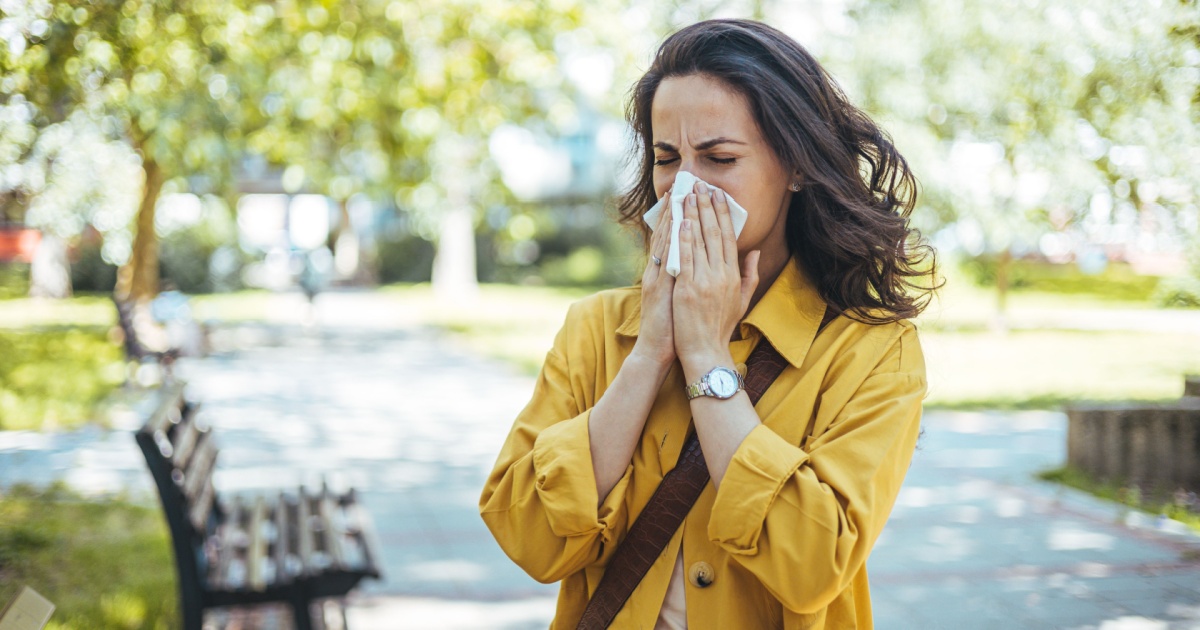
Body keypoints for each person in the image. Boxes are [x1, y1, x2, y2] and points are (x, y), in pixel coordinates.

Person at [480, 19, 937, 630]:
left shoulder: (873, 351)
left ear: (796, 167)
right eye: (668, 159)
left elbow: (812, 567)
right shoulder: (594, 329)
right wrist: (650, 354)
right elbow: (527, 535)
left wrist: (706, 357)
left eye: (720, 157)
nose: (686, 185)